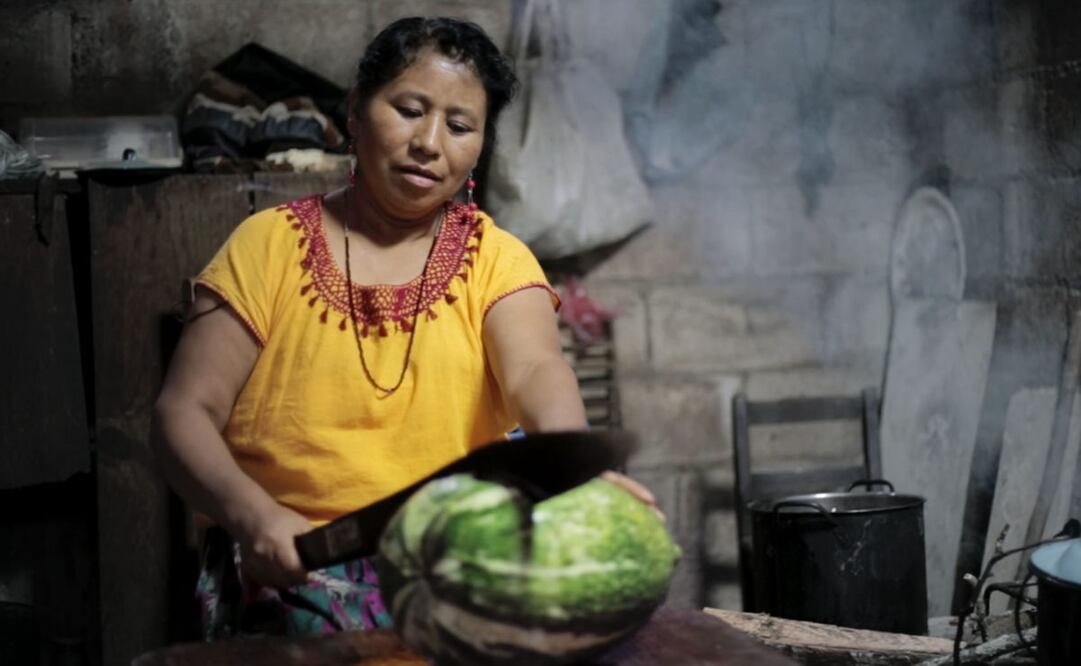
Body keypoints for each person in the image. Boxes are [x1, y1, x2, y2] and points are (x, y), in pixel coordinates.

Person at [153, 16, 658, 638]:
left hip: (455, 570)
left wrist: (572, 471)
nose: (429, 142)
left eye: (460, 125)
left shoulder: (497, 260)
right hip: (290, 567)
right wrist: (253, 516)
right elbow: (183, 410)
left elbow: (534, 369)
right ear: (356, 113)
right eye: (410, 109)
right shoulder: (266, 247)